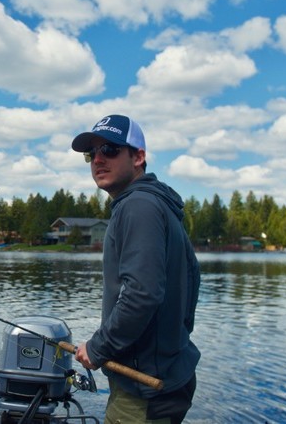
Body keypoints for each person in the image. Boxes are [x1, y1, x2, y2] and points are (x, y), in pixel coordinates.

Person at [71, 114, 200, 423]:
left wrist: (98, 347)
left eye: (111, 150)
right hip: (167, 375)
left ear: (139, 157)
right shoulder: (157, 205)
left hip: (145, 391)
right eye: (92, 153)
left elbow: (142, 294)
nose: (98, 160)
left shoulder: (137, 206)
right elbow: (193, 280)